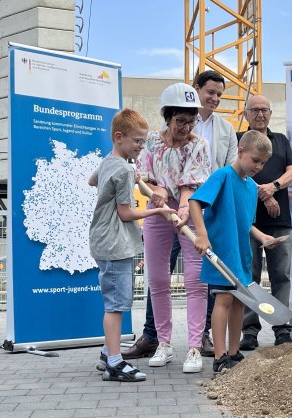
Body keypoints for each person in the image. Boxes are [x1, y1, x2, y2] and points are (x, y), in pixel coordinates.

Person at [88, 109, 173, 382]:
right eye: (137, 141)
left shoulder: (111, 161)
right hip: (115, 244)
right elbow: (126, 213)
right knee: (115, 306)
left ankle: (106, 353)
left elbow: (92, 180)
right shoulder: (124, 168)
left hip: (103, 240)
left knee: (115, 301)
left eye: (143, 141)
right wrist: (157, 212)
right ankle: (115, 362)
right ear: (119, 137)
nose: (141, 147)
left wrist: (132, 175)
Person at [137, 82, 212, 373]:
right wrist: (153, 189)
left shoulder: (198, 145)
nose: (185, 126)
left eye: (191, 120)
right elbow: (142, 178)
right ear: (167, 117)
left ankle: (194, 347)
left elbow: (190, 185)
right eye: (180, 120)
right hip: (157, 213)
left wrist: (182, 210)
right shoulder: (152, 142)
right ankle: (164, 344)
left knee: (195, 280)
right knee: (157, 279)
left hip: (189, 212)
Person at [189, 131, 277, 372]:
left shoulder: (251, 188)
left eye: (263, 162)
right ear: (240, 152)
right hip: (221, 253)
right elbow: (195, 202)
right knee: (224, 299)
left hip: (242, 255)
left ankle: (234, 353)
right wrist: (202, 234)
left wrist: (262, 237)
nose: (259, 166)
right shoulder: (223, 176)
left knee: (240, 302)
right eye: (255, 160)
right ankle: (219, 358)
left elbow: (245, 222)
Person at [238, 95, 292, 350]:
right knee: (248, 276)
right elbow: (235, 171)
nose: (260, 115)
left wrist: (272, 188)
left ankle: (282, 330)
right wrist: (262, 194)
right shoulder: (238, 140)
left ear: (271, 114)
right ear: (245, 113)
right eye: (255, 110)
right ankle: (249, 331)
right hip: (247, 221)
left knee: (280, 276)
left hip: (279, 219)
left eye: (265, 110)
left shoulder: (281, 141)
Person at [193, 70, 239, 357]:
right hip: (179, 203)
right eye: (210, 92)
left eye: (220, 95)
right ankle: (152, 334)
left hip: (212, 208)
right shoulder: (183, 120)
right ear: (196, 89)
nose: (215, 98)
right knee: (161, 275)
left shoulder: (227, 129)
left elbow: (232, 168)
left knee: (209, 275)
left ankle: (204, 336)